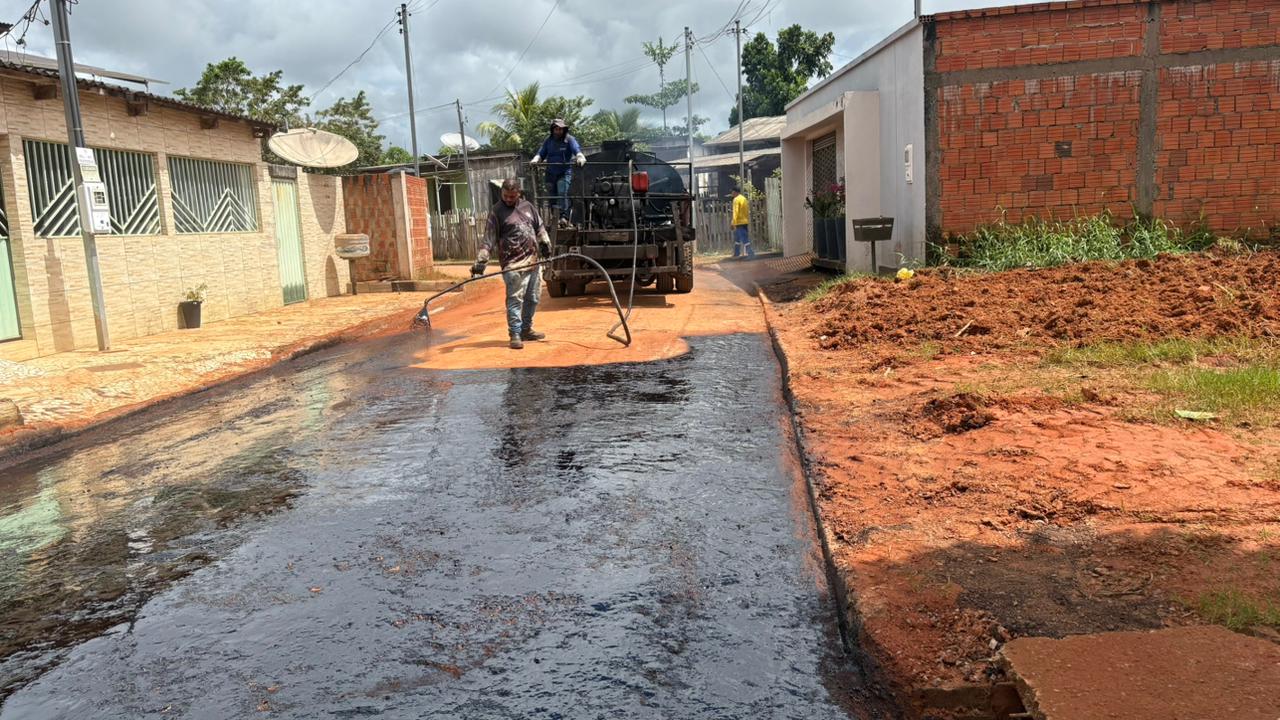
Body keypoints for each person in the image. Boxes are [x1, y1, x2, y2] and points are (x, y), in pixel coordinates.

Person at [471, 177, 553, 350]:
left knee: (533, 298)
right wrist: (481, 261)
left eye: (512, 196)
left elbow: (539, 227)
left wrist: (545, 242)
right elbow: (489, 239)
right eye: (505, 196)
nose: (508, 199)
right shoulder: (497, 211)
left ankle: (526, 329)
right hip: (512, 264)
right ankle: (515, 333)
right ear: (502, 193)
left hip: (532, 261)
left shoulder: (528, 207)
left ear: (518, 194)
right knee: (515, 299)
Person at [529, 118, 586, 225]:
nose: (559, 131)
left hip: (564, 172)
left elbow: (576, 150)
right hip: (550, 173)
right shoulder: (548, 141)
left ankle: (564, 217)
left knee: (562, 192)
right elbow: (541, 153)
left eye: (561, 129)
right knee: (552, 195)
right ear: (553, 130)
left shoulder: (569, 139)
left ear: (564, 130)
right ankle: (555, 217)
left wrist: (580, 157)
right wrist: (535, 160)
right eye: (556, 129)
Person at [730, 186, 754, 258]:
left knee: (744, 238)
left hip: (739, 222)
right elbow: (747, 211)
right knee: (737, 238)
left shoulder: (736, 200)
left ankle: (751, 253)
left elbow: (735, 212)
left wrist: (733, 222)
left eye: (732, 192)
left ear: (735, 192)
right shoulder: (744, 198)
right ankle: (736, 253)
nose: (732, 193)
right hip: (745, 221)